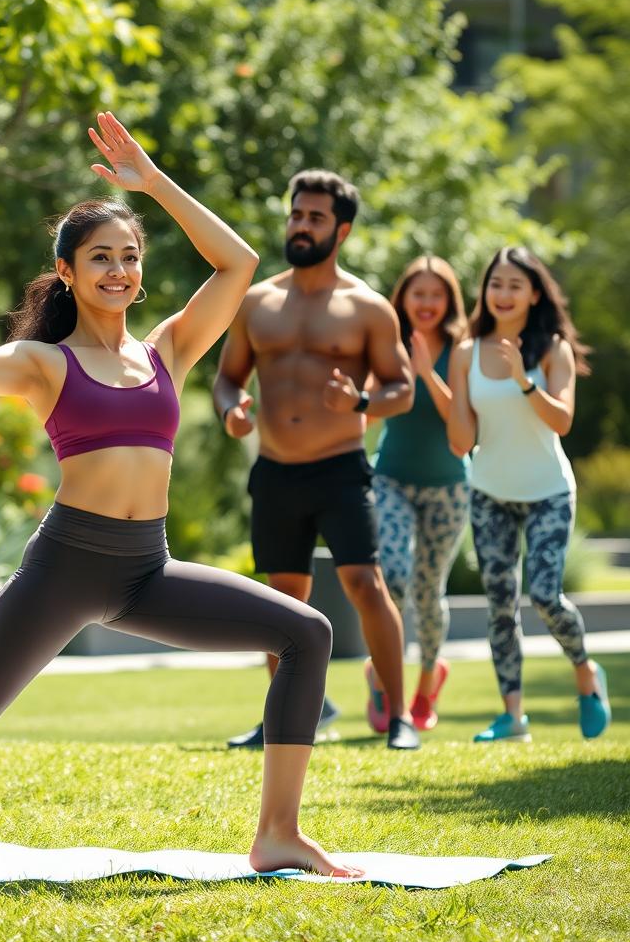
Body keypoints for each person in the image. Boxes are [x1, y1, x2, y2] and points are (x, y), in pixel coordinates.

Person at [0, 113, 363, 878]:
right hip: (65, 566)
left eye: (129, 257)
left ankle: (279, 834)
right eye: (100, 258)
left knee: (307, 633)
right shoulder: (44, 364)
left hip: (146, 572)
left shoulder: (169, 352)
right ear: (67, 271)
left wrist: (151, 182)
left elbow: (238, 263)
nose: (117, 270)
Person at [214, 169, 420, 751]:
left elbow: (401, 389)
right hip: (276, 469)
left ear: (343, 229)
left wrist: (358, 400)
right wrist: (232, 412)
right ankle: (285, 721)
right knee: (282, 597)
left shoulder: (368, 307)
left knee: (364, 582)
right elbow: (227, 380)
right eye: (296, 215)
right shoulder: (258, 301)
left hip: (339, 466)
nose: (301, 226)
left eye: (316, 218)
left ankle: (399, 716)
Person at [447, 246, 611, 742]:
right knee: (500, 602)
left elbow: (561, 420)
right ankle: (513, 716)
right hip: (489, 491)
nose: (503, 293)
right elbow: (461, 440)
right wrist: (442, 386)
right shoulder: (464, 352)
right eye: (495, 284)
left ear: (534, 292)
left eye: (515, 285)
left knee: (543, 593)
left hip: (547, 492)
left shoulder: (551, 348)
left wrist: (522, 380)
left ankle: (585, 670)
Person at [371, 255, 469, 730]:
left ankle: (428, 680)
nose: (427, 303)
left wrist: (429, 371)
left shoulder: (464, 348)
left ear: (449, 299)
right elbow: (365, 406)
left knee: (429, 592)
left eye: (436, 294)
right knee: (392, 573)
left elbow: (464, 426)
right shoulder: (385, 342)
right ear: (403, 298)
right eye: (418, 293)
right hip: (390, 478)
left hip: (450, 488)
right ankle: (382, 671)